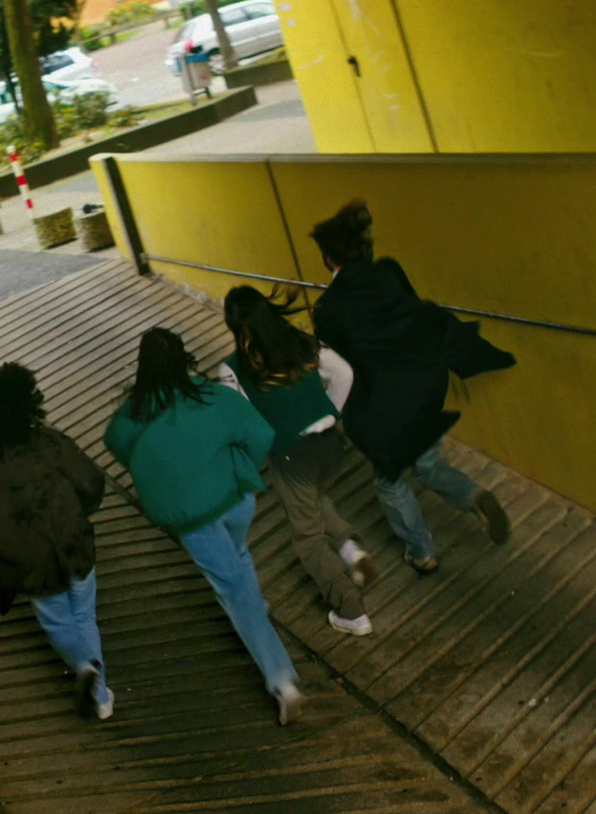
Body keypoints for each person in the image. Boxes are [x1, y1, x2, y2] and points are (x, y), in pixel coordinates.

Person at [104, 328, 305, 725]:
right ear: (184, 358)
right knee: (239, 557)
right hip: (236, 500)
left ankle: (283, 682)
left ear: (143, 368)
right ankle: (254, 605)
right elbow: (261, 435)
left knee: (231, 589)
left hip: (191, 517)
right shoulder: (214, 396)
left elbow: (117, 443)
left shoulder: (133, 413)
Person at [309, 199, 516, 575]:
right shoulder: (388, 272)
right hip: (427, 384)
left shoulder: (329, 309)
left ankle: (421, 552)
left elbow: (340, 370)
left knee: (390, 483)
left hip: (385, 403)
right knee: (429, 462)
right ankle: (475, 496)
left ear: (327, 259)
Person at [220, 285, 376, 636]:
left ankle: (352, 612)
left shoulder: (232, 369)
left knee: (307, 537)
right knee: (311, 499)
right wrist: (329, 412)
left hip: (291, 455)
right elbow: (344, 374)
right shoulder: (303, 341)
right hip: (331, 445)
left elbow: (238, 421)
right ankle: (350, 549)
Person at [0, 363, 114, 720]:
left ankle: (86, 671)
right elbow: (91, 483)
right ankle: (101, 694)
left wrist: (2, 530)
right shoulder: (50, 441)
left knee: (58, 621)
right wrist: (79, 513)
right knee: (84, 613)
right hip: (73, 542)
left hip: (27, 557)